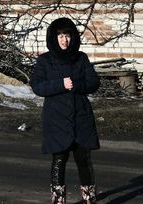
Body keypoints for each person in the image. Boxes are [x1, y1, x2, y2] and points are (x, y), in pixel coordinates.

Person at [30, 17, 100, 204]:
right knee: (59, 161)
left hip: (81, 117)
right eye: (60, 36)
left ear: (73, 37)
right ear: (54, 38)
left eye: (67, 35)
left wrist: (76, 84)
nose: (64, 40)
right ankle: (58, 201)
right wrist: (60, 84)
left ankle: (89, 200)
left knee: (84, 160)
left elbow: (94, 82)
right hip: (56, 118)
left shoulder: (81, 58)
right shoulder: (45, 60)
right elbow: (37, 86)